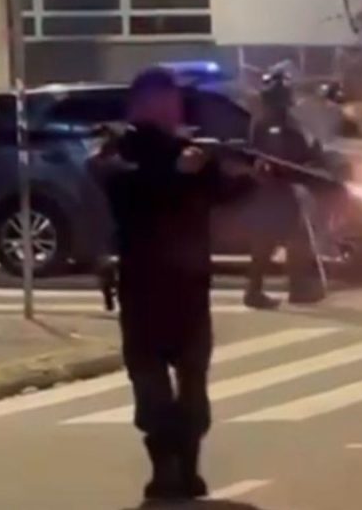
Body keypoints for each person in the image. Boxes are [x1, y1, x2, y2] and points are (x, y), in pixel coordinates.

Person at [88, 68, 267, 502]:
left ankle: (187, 467)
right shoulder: (120, 150)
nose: (173, 109)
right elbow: (124, 191)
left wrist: (250, 177)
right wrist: (178, 173)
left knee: (192, 390)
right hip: (143, 288)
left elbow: (220, 193)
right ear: (139, 106)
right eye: (162, 101)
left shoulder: (191, 152)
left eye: (175, 101)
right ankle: (164, 467)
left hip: (189, 289)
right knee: (151, 391)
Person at [243, 70, 326, 310]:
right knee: (273, 241)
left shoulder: (278, 120)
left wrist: (312, 159)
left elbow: (301, 149)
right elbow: (274, 154)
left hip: (280, 188)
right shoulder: (269, 122)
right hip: (272, 190)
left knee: (289, 239)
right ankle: (264, 290)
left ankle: (292, 288)